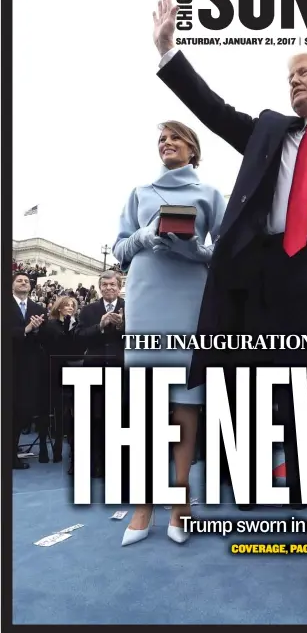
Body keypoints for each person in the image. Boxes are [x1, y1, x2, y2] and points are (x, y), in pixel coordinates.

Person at [151, 0, 307, 622]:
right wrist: (167, 52)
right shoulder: (270, 131)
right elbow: (212, 112)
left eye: (303, 72)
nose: (292, 80)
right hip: (269, 285)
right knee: (292, 411)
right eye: (287, 75)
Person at [112, 121, 226, 546]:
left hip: (190, 300)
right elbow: (120, 249)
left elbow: (228, 253)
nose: (167, 143)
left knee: (185, 404)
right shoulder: (140, 194)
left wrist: (194, 249)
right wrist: (144, 235)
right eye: (161, 139)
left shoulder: (211, 194)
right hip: (145, 298)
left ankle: (180, 499)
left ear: (193, 149)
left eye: (175, 137)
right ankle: (143, 501)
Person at [74, 271, 127, 478]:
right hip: (94, 369)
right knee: (94, 417)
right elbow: (79, 337)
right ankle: (95, 463)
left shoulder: (131, 307)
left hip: (121, 369)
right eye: (104, 285)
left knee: (120, 417)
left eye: (112, 284)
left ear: (119, 286)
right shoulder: (88, 310)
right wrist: (100, 326)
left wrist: (124, 326)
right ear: (99, 287)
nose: (108, 288)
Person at [10, 271, 48, 469]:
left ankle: (11, 455)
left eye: (27, 281)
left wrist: (38, 329)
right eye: (19, 280)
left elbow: (46, 337)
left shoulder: (38, 308)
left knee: (21, 413)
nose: (24, 283)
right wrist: (25, 330)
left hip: (28, 369)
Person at [42, 295, 83, 472]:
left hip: (73, 371)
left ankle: (66, 451)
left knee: (70, 413)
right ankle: (48, 448)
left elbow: (78, 348)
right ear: (59, 307)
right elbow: (55, 347)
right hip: (54, 371)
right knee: (54, 411)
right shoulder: (51, 325)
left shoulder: (78, 325)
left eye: (72, 305)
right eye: (66, 305)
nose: (69, 307)